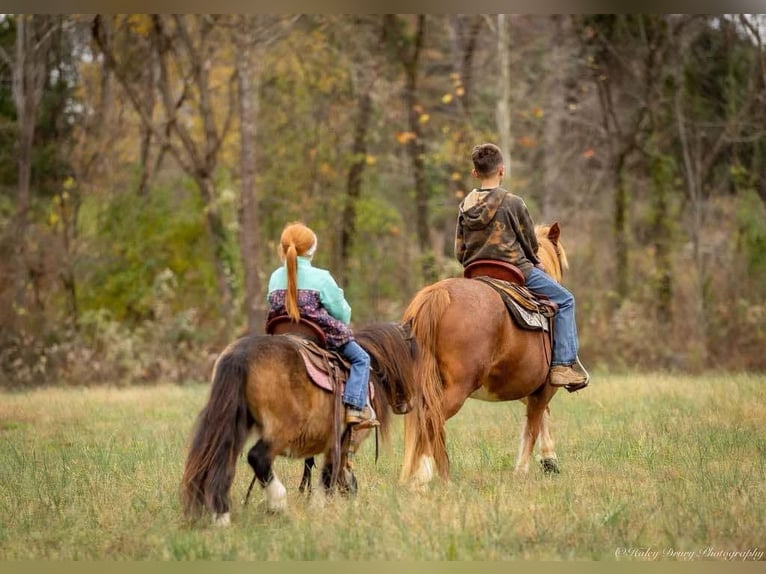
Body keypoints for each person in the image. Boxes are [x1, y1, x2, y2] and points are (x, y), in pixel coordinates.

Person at [455, 143, 588, 389]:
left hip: (475, 273)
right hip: (515, 271)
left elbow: (459, 251)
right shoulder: (513, 203)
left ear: (475, 173)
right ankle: (562, 365)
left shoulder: (465, 206)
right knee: (566, 300)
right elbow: (530, 245)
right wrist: (536, 263)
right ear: (501, 171)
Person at [267, 221, 379, 427]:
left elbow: (272, 306)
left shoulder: (274, 277)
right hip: (320, 336)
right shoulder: (321, 278)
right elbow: (342, 313)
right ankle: (355, 407)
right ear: (312, 250)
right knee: (361, 358)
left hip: (281, 337)